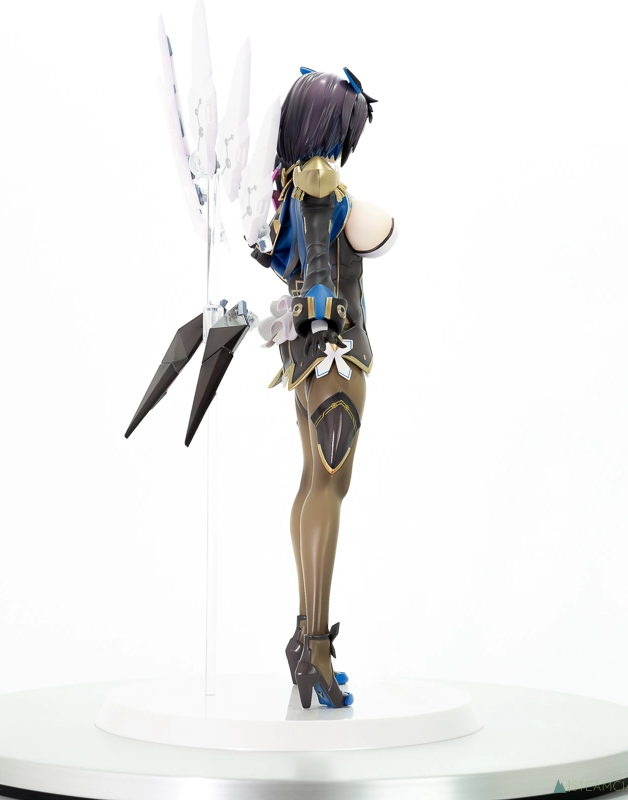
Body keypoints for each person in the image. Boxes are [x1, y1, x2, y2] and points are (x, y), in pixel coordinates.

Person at [252, 67, 397, 709]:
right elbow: (316, 269)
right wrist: (321, 308)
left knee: (315, 483)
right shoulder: (317, 179)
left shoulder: (289, 185)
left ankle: (304, 639)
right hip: (335, 355)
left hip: (307, 357)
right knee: (328, 487)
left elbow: (298, 259)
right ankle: (313, 648)